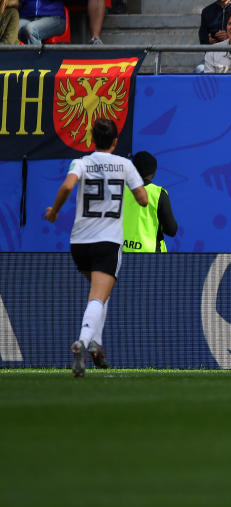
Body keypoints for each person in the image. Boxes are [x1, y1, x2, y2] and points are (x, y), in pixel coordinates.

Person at [43, 118, 148, 377]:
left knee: (100, 293)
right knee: (98, 297)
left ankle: (95, 343)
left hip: (79, 242)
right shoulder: (125, 165)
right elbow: (143, 200)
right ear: (115, 141)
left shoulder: (81, 162)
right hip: (106, 241)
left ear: (92, 140)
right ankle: (82, 341)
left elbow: (68, 185)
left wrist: (54, 211)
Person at [122, 151, 178, 253]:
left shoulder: (120, 190)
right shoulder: (158, 194)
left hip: (122, 254)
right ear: (154, 173)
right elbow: (171, 230)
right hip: (151, 256)